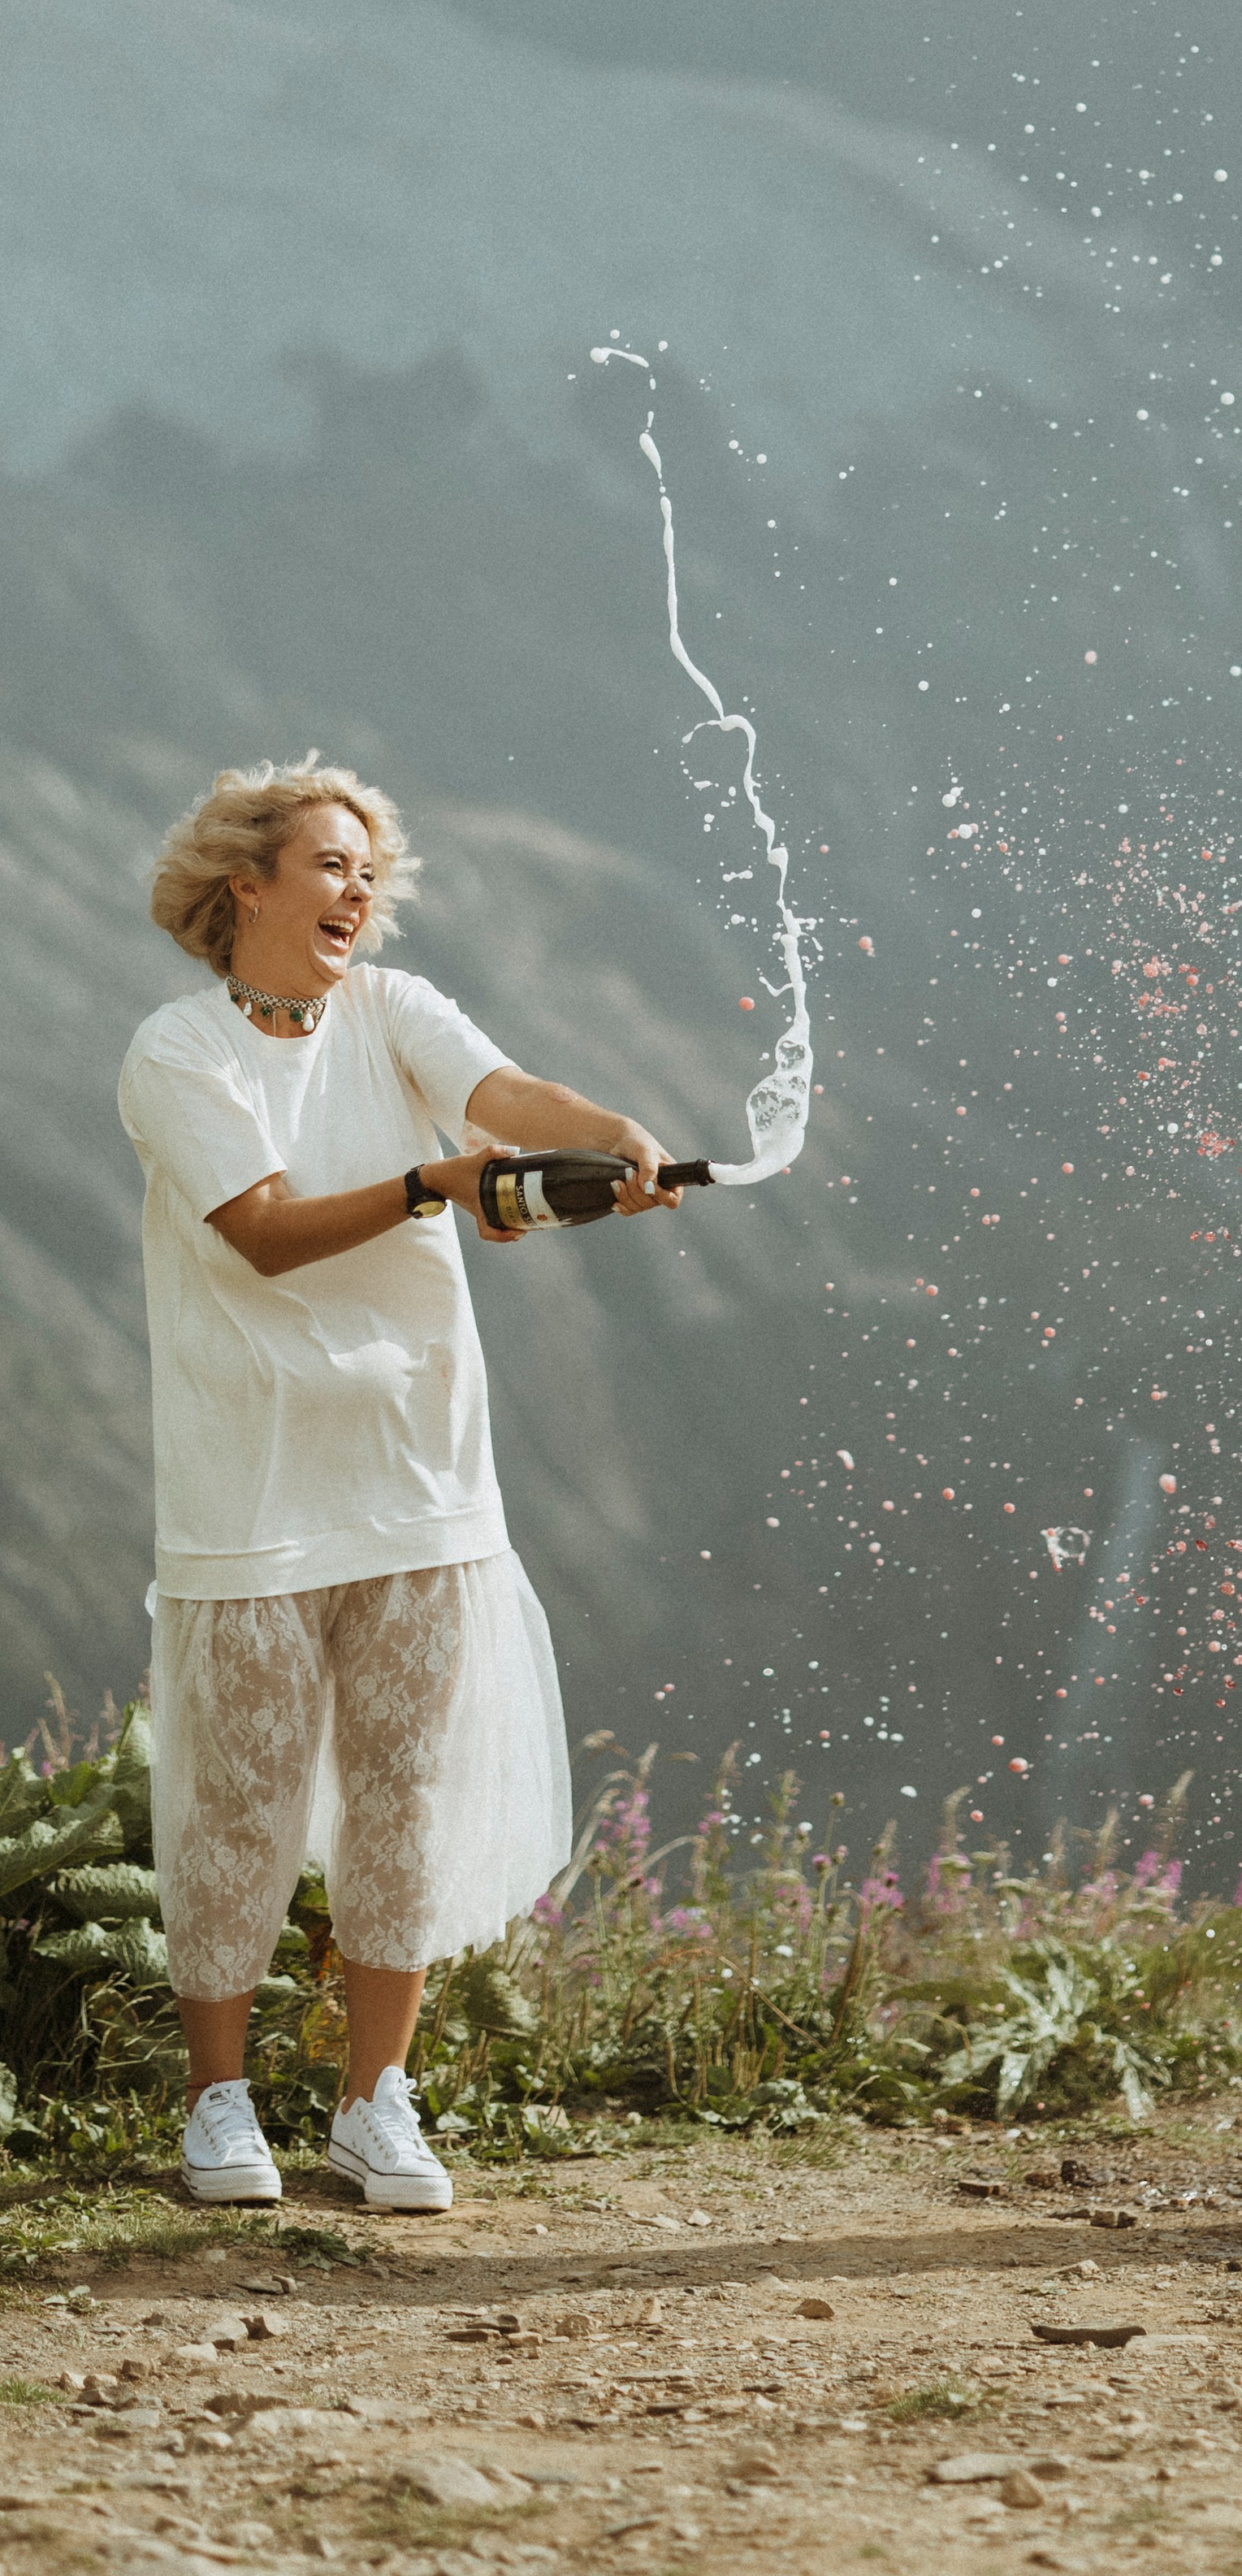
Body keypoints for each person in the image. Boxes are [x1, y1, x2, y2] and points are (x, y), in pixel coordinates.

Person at [120, 757, 686, 2211]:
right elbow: (265, 1232)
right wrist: (439, 1186)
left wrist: (602, 1132)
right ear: (246, 881)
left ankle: (378, 2104)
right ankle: (218, 2105)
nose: (359, 891)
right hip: (250, 1488)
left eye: (371, 870)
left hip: (422, 1473)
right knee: (235, 1802)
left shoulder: (392, 1011)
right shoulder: (175, 1053)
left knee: (402, 1794)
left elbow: (503, 1091)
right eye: (329, 864)